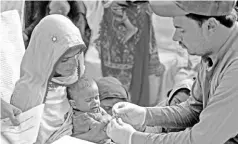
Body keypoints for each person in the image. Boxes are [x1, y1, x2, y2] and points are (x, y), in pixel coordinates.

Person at [106, 1, 238, 144]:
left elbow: (202, 139)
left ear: (210, 26)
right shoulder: (213, 49)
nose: (175, 37)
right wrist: (145, 115)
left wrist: (133, 139)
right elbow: (194, 109)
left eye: (181, 29)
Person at [9, 14, 106, 144]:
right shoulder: (28, 91)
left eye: (76, 56)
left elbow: (87, 108)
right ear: (45, 58)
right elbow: (22, 135)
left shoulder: (73, 80)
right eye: (65, 60)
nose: (72, 64)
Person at [67, 76, 112, 143]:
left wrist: (108, 118)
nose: (95, 102)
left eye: (96, 97)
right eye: (88, 100)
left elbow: (107, 116)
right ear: (74, 104)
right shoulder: (80, 117)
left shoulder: (96, 108)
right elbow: (97, 128)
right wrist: (106, 121)